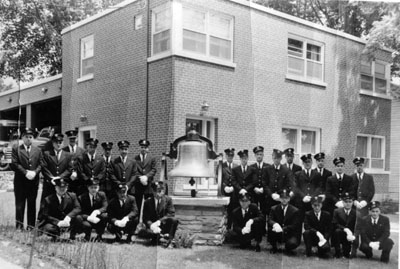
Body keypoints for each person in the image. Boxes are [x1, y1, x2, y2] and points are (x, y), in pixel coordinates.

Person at [11, 127, 43, 230]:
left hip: (33, 182)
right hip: (20, 181)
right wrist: (25, 173)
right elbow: (14, 163)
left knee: (32, 204)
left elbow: (41, 163)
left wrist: (35, 172)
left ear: (33, 138)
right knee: (20, 204)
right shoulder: (16, 149)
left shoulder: (38, 150)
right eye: (26, 137)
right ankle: (19, 226)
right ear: (22, 137)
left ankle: (31, 226)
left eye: (31, 137)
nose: (28, 139)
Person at [351, 157, 375, 257]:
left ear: (363, 166)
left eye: (360, 165)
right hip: (355, 207)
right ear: (355, 166)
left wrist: (366, 202)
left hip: (364, 208)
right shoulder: (351, 177)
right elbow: (350, 191)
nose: (359, 167)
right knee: (354, 228)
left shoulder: (369, 178)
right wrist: (354, 201)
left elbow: (371, 191)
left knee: (364, 227)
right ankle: (353, 250)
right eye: (357, 165)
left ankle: (365, 248)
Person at [142, 182, 178, 248]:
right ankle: (157, 237)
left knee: (174, 220)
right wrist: (151, 225)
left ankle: (170, 240)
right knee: (152, 240)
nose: (157, 193)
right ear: (152, 191)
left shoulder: (168, 200)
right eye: (155, 191)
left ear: (162, 191)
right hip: (153, 227)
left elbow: (171, 213)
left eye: (159, 191)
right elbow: (145, 217)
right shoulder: (147, 202)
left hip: (164, 225)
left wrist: (159, 221)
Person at [268, 189, 301, 254]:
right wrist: (275, 224)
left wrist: (283, 229)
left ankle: (288, 249)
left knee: (292, 243)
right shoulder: (274, 208)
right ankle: (274, 247)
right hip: (277, 232)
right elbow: (270, 219)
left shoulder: (295, 210)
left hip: (289, 233)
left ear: (289, 199)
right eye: (282, 198)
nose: (284, 200)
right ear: (279, 199)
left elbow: (295, 225)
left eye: (286, 198)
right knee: (270, 230)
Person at [41, 133, 72, 201]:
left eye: (60, 142)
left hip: (62, 184)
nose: (58, 144)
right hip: (49, 184)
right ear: (53, 144)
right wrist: (51, 177)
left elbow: (69, 169)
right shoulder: (47, 154)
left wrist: (60, 177)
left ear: (63, 143)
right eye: (56, 142)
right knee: (46, 205)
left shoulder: (68, 155)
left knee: (62, 204)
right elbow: (44, 167)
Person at [133, 139, 157, 217]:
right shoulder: (135, 158)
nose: (143, 149)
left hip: (148, 185)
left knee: (149, 205)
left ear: (148, 148)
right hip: (138, 185)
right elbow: (134, 171)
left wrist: (146, 177)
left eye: (145, 147)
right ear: (140, 148)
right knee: (138, 205)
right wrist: (140, 178)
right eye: (142, 147)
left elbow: (154, 169)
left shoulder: (152, 158)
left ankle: (147, 224)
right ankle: (137, 224)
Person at [266, 149, 294, 214]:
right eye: (275, 158)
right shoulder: (267, 169)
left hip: (281, 200)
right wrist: (271, 194)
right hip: (270, 199)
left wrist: (281, 195)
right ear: (272, 158)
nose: (276, 160)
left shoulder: (286, 170)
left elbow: (288, 184)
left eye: (278, 158)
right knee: (270, 218)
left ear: (281, 158)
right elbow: (265, 184)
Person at [293, 154, 320, 219]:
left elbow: (319, 187)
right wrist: (303, 196)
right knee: (299, 221)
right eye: (305, 162)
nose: (307, 164)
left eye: (309, 162)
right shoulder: (298, 174)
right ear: (303, 163)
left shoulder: (317, 174)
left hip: (313, 203)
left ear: (312, 162)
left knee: (312, 221)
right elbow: (296, 187)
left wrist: (312, 197)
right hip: (301, 202)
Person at [331, 192, 357, 258]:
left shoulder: (356, 213)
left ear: (352, 203)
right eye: (346, 202)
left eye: (350, 202)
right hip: (340, 233)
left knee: (348, 254)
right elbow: (335, 223)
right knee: (337, 231)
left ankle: (347, 250)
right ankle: (337, 251)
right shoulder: (336, 211)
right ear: (342, 202)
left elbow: (357, 226)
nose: (348, 203)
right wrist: (345, 229)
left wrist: (352, 235)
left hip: (350, 235)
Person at [221, 148, 239, 229]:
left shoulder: (236, 166)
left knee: (234, 211)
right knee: (226, 212)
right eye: (228, 156)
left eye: (231, 156)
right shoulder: (221, 166)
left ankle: (233, 230)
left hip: (234, 194)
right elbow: (218, 180)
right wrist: (224, 187)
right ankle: (226, 229)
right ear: (226, 156)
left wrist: (234, 187)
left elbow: (238, 180)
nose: (230, 157)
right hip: (225, 193)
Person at [63, 130, 85, 194]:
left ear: (77, 139)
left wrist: (76, 172)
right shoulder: (63, 151)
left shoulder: (82, 151)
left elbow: (83, 165)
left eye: (74, 138)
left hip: (78, 180)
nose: (72, 140)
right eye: (70, 139)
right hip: (67, 179)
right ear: (67, 139)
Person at [250, 146, 270, 215]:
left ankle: (263, 225)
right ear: (255, 156)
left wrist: (263, 189)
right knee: (254, 211)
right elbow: (249, 180)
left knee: (264, 211)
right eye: (257, 154)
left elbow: (269, 180)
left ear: (263, 155)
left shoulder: (268, 166)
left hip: (264, 194)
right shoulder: (251, 167)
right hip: (254, 193)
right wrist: (254, 188)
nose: (259, 156)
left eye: (260, 154)